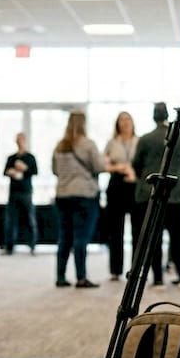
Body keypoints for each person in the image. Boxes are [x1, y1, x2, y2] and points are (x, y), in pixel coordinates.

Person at [132, 103, 180, 286]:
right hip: (176, 194)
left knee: (154, 238)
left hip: (150, 194)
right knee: (177, 237)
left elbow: (136, 165)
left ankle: (158, 278)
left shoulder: (145, 139)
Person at [52, 111, 104, 288]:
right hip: (84, 195)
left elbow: (55, 170)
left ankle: (60, 276)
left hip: (62, 195)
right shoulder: (88, 144)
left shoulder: (60, 146)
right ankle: (81, 277)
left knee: (64, 236)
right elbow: (98, 167)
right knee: (81, 236)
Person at [103, 112, 138, 281]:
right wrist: (119, 168)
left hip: (134, 184)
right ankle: (115, 270)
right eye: (121, 120)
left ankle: (136, 270)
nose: (125, 123)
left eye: (127, 120)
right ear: (117, 124)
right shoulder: (112, 143)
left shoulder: (138, 141)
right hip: (116, 185)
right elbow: (105, 164)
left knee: (137, 230)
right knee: (115, 230)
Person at [3, 133, 38, 255]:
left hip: (26, 193)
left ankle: (33, 245)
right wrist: (11, 172)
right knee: (11, 220)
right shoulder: (11, 158)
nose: (20, 142)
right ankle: (9, 247)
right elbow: (5, 171)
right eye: (18, 140)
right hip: (13, 193)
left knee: (30, 219)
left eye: (22, 140)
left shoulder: (30, 158)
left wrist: (25, 168)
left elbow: (35, 171)